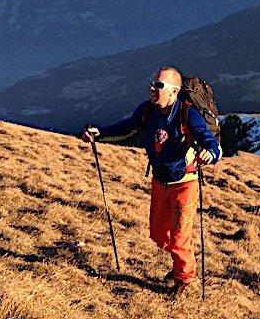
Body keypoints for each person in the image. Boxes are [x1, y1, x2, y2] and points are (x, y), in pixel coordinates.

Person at [81, 66, 220, 296]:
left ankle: (184, 282)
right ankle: (180, 259)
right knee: (157, 234)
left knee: (178, 237)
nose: (152, 88)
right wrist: (100, 133)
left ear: (174, 91)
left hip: (184, 183)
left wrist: (209, 153)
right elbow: (127, 127)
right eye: (152, 83)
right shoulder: (148, 111)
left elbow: (209, 141)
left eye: (159, 85)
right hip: (160, 181)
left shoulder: (187, 114)